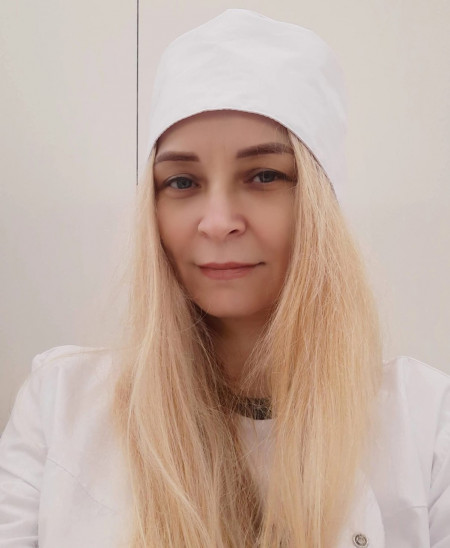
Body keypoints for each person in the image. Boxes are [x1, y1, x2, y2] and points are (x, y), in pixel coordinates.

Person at [0, 8, 449, 548]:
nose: (217, 222)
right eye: (182, 181)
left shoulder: (425, 424)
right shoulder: (60, 407)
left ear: (320, 203)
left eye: (264, 175)